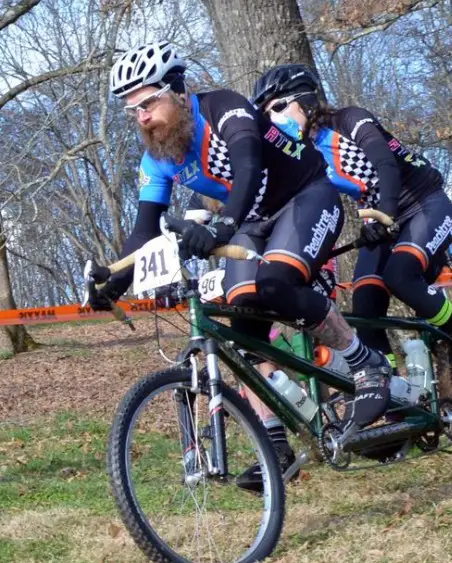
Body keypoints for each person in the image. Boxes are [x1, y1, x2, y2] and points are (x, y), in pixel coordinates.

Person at [82, 41, 392, 492]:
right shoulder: (157, 159)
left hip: (305, 196)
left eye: (148, 102)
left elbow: (247, 165)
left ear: (178, 91)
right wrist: (113, 280)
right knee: (242, 318)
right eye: (133, 110)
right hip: (254, 220)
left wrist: (223, 225)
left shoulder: (223, 108)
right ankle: (275, 446)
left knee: (274, 283)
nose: (142, 116)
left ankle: (367, 363)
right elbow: (144, 231)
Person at [251, 64, 452, 395]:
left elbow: (385, 164)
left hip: (423, 204)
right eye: (266, 115)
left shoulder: (349, 119)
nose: (273, 118)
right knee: (364, 306)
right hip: (382, 219)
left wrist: (385, 214)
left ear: (306, 101)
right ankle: (393, 390)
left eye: (278, 107)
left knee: (399, 275)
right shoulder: (303, 154)